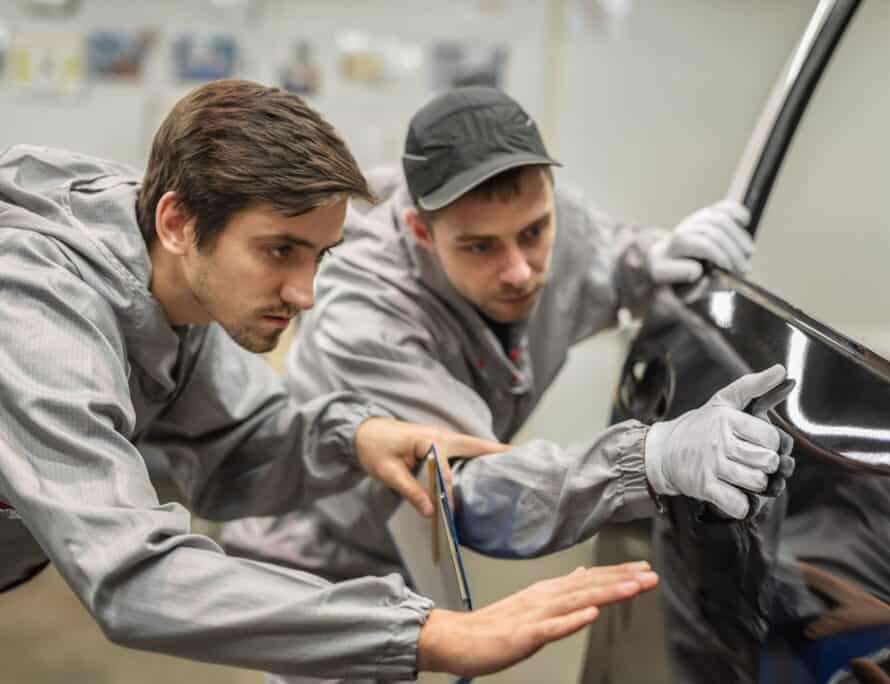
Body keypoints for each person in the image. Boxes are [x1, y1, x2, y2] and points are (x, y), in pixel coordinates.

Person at [0, 79, 664, 682]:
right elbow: (132, 576)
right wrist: (433, 634)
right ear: (178, 222)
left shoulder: (171, 281)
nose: (306, 293)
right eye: (280, 250)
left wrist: (357, 436)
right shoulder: (38, 309)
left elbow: (239, 449)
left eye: (320, 255)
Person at [221, 86, 796, 681]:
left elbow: (603, 259)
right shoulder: (364, 313)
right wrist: (650, 458)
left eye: (534, 232)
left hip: (425, 554)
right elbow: (468, 492)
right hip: (326, 555)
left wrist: (656, 257)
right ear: (422, 232)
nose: (520, 269)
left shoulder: (550, 216)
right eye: (480, 247)